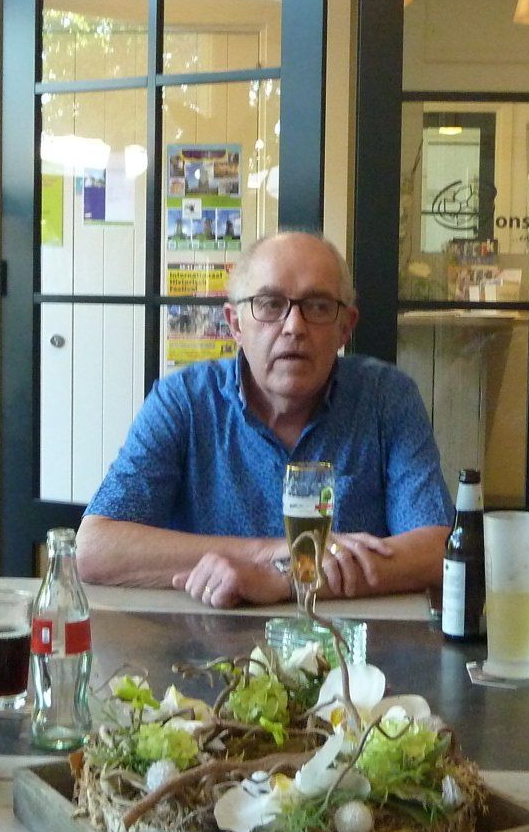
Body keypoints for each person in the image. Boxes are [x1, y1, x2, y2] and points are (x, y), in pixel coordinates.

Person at [77, 230, 452, 609]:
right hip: (207, 636)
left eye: (318, 306)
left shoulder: (386, 398)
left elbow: (440, 548)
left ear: (345, 327)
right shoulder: (183, 402)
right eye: (270, 304)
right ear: (235, 324)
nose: (294, 327)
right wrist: (275, 552)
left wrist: (288, 577)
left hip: (346, 640)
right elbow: (95, 548)